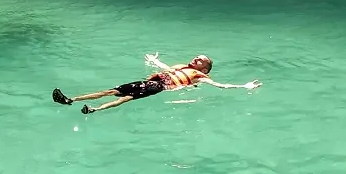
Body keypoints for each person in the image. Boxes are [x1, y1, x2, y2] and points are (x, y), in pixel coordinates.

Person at [51, 53, 262, 114]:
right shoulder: (181, 66)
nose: (196, 60)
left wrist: (244, 86)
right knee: (112, 90)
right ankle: (71, 99)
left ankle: (95, 109)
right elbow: (167, 68)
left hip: (159, 87)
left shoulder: (201, 77)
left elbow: (220, 86)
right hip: (150, 81)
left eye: (201, 61)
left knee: (126, 98)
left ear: (204, 69)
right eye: (197, 57)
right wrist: (154, 61)